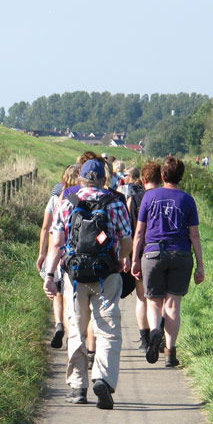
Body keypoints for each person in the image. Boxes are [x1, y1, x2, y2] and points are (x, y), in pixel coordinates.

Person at [43, 159, 133, 409]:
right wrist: (121, 259)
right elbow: (127, 241)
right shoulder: (115, 202)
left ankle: (78, 386)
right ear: (105, 179)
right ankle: (102, 378)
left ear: (81, 179)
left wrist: (50, 276)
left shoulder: (67, 201)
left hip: (74, 276)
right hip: (107, 275)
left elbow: (57, 243)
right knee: (108, 329)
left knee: (76, 328)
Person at [131, 157, 205, 368]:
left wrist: (135, 259)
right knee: (173, 304)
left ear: (162, 176)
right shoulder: (188, 200)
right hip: (180, 254)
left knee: (153, 301)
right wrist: (200, 266)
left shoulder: (148, 197)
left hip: (152, 253)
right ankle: (170, 354)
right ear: (181, 176)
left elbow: (139, 232)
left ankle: (155, 331)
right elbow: (195, 236)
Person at [38, 165, 82, 349]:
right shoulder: (80, 199)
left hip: (54, 253)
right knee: (69, 296)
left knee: (57, 293)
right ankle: (72, 332)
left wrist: (42, 253)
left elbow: (45, 227)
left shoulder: (55, 198)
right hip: (73, 253)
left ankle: (58, 325)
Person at [123, 163, 159, 350]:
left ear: (143, 180)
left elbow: (129, 230)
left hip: (141, 251)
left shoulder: (134, 200)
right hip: (161, 251)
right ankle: (159, 334)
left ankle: (145, 340)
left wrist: (129, 257)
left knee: (142, 297)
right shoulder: (163, 197)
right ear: (160, 179)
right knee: (161, 298)